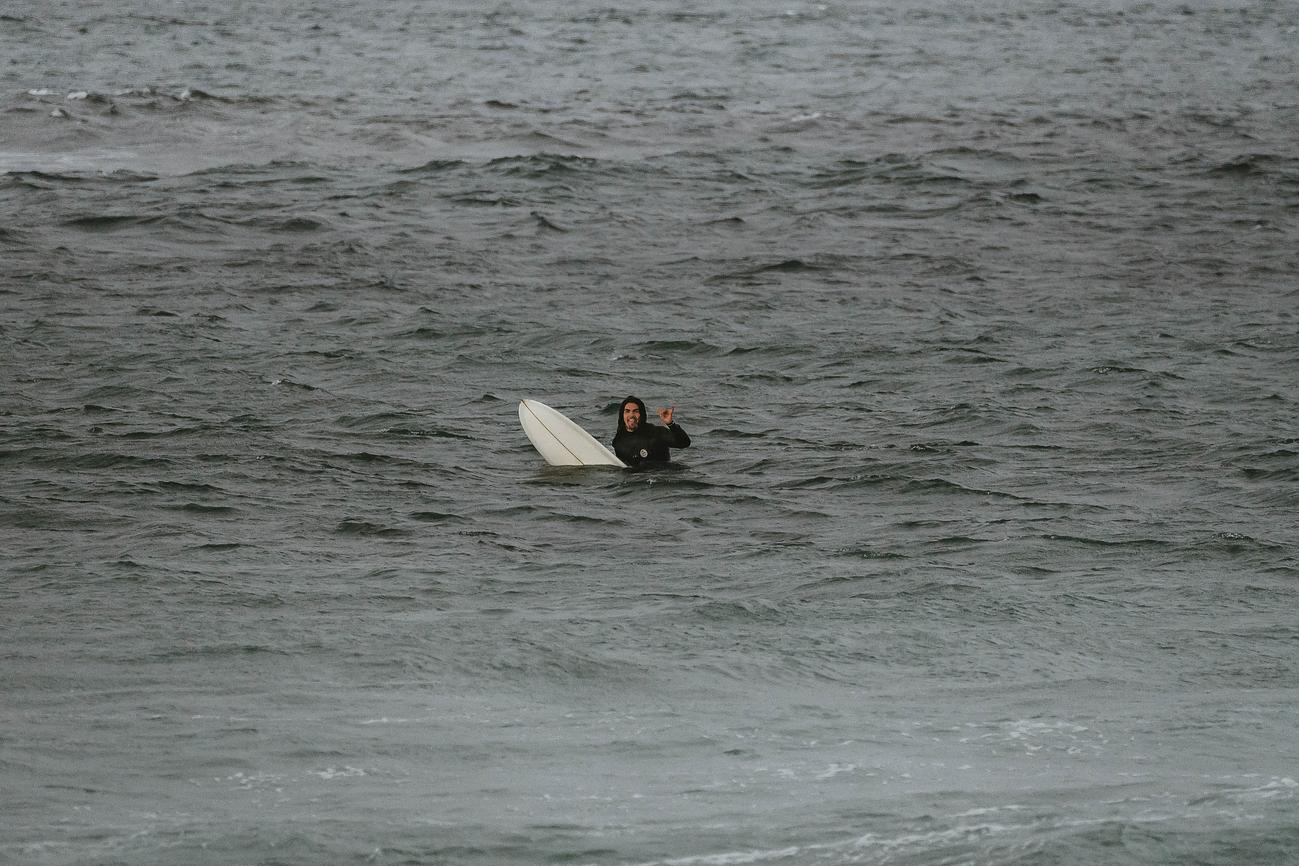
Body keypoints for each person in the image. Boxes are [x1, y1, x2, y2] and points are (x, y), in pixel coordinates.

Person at [612, 395, 691, 467]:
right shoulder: (618, 440)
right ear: (622, 415)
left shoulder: (656, 432)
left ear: (642, 414)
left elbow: (684, 443)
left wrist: (671, 424)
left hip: (661, 476)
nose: (631, 415)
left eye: (636, 411)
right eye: (627, 411)